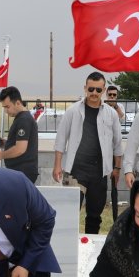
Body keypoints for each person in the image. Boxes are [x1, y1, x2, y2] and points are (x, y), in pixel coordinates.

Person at [52, 71, 122, 233]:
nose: (94, 93)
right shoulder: (73, 111)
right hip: (76, 170)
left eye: (98, 90)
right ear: (85, 88)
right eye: (91, 89)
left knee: (94, 216)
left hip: (100, 172)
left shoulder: (111, 114)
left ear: (104, 90)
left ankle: (90, 250)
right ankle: (68, 251)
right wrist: (57, 166)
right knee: (69, 213)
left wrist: (117, 169)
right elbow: (61, 139)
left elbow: (117, 144)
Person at [0, 86, 39, 183]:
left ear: (18, 103)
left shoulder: (24, 120)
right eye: (4, 107)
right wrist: (6, 143)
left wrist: (1, 155)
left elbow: (20, 149)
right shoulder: (21, 118)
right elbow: (20, 143)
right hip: (20, 172)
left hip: (22, 173)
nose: (6, 110)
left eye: (7, 107)